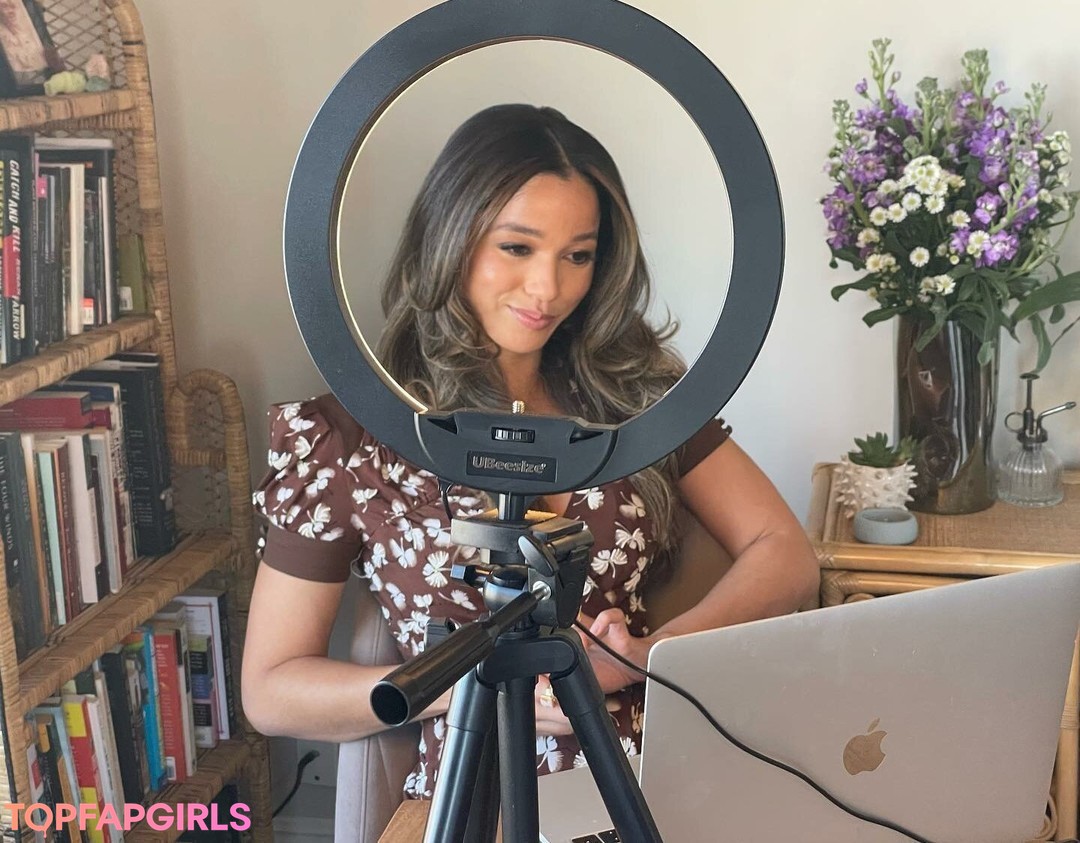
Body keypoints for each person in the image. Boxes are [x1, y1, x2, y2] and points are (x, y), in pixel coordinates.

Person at [242, 103, 820, 800]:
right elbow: (271, 691)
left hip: (651, 779)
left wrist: (649, 656)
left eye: (578, 255)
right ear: (450, 238)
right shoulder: (349, 437)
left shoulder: (634, 399)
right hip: (474, 796)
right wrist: (462, 684)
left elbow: (784, 551)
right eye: (517, 248)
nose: (549, 289)